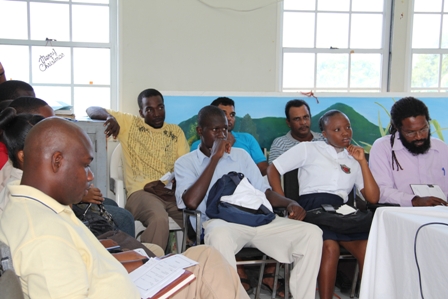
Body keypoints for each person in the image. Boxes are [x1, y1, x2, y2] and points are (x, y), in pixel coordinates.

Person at [0, 117, 250, 299]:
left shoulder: (35, 206)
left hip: (125, 283)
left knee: (205, 256)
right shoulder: (43, 234)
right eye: (85, 166)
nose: (89, 177)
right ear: (57, 161)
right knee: (212, 270)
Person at [175, 105, 323, 299]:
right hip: (220, 223)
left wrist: (289, 203)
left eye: (224, 129)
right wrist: (215, 158)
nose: (221, 135)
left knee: (311, 233)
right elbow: (191, 202)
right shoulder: (185, 163)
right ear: (200, 131)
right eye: (215, 130)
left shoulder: (241, 156)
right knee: (219, 235)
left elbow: (264, 192)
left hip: (255, 219)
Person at [267, 109, 380, 299]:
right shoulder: (309, 148)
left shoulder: (354, 158)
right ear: (324, 134)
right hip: (313, 208)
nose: (345, 133)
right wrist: (286, 202)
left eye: (347, 127)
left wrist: (362, 163)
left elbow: (373, 198)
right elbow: (273, 169)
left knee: (368, 249)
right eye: (337, 129)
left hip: (342, 212)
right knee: (330, 247)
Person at [1, 98, 135, 237]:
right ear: (23, 156)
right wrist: (78, 196)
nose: (57, 128)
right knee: (123, 219)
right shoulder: (24, 195)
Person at [86, 88, 188, 249]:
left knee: (198, 218)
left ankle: (191, 264)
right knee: (159, 218)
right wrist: (109, 117)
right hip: (141, 193)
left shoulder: (175, 132)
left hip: (169, 193)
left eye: (160, 107)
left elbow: (184, 167)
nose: (156, 113)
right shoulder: (130, 124)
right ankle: (149, 265)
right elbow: (91, 109)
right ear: (141, 112)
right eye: (150, 109)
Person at [369, 96, 448, 206]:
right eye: (410, 132)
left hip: (441, 213)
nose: (419, 136)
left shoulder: (441, 148)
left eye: (423, 129)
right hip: (402, 214)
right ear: (397, 127)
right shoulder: (383, 148)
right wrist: (414, 201)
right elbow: (381, 191)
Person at [190, 97, 268, 175]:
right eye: (223, 114)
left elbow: (264, 168)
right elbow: (199, 174)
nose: (229, 118)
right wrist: (222, 146)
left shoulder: (248, 139)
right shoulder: (198, 146)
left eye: (232, 115)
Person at [268, 99, 325, 164]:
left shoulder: (324, 139)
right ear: (288, 122)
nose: (303, 122)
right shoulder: (280, 144)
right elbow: (273, 172)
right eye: (297, 119)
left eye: (306, 117)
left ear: (310, 117)